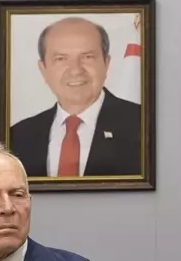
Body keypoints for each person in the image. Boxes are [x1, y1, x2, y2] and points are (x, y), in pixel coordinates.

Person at [10, 16, 141, 177]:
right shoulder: (17, 137)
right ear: (43, 69)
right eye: (61, 59)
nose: (75, 70)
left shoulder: (144, 125)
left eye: (87, 57)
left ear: (106, 63)